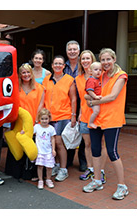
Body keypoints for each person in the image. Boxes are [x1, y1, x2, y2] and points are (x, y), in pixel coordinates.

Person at [82, 48, 129, 200]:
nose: (105, 62)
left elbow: (112, 96)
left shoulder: (121, 76)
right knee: (95, 150)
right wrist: (89, 99)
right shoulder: (99, 75)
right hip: (97, 119)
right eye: (103, 60)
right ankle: (97, 181)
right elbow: (86, 93)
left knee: (112, 152)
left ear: (114, 59)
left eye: (108, 59)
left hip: (112, 120)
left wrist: (92, 101)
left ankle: (122, 186)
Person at [5, 63, 45, 180]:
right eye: (23, 72)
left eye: (28, 72)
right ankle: (16, 172)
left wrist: (36, 122)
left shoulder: (39, 88)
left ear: (31, 74)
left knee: (30, 147)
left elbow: (40, 106)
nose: (26, 75)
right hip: (18, 122)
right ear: (20, 75)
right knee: (17, 145)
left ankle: (31, 173)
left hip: (33, 122)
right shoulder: (15, 88)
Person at [42, 55, 77, 182]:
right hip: (49, 116)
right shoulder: (47, 80)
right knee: (51, 142)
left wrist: (73, 115)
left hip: (64, 115)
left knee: (58, 142)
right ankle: (56, 165)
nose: (57, 65)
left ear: (64, 66)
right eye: (55, 63)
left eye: (60, 64)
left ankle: (64, 169)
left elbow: (73, 98)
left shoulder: (69, 79)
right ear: (52, 65)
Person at [75, 50, 107, 183]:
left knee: (101, 144)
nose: (85, 61)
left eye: (88, 58)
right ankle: (90, 169)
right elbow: (82, 98)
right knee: (87, 144)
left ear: (92, 59)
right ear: (80, 62)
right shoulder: (78, 78)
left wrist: (89, 97)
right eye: (83, 59)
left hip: (100, 115)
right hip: (85, 116)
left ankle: (101, 171)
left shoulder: (101, 75)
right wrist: (80, 114)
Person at [63, 40, 87, 171]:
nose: (72, 52)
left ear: (79, 51)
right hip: (68, 102)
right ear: (67, 51)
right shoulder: (63, 66)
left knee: (83, 130)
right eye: (70, 49)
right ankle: (69, 159)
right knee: (70, 130)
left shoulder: (83, 65)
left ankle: (82, 160)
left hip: (83, 102)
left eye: (74, 49)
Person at [31, 108, 56, 189]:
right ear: (39, 119)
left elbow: (52, 139)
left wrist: (53, 149)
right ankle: (40, 180)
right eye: (42, 119)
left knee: (49, 167)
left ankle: (48, 179)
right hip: (39, 151)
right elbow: (30, 133)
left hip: (48, 151)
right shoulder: (37, 127)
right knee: (40, 166)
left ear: (49, 118)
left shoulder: (51, 128)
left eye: (46, 119)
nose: (44, 121)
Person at [85, 62, 102, 129]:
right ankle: (91, 122)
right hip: (94, 99)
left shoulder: (97, 79)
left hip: (96, 98)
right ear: (91, 71)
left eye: (100, 70)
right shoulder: (91, 80)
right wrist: (95, 97)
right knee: (96, 111)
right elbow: (89, 90)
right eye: (96, 69)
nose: (98, 71)